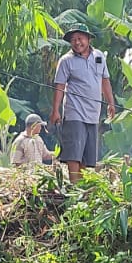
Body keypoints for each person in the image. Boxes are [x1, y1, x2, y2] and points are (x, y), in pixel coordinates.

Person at [50, 22, 116, 181]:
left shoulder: (99, 56)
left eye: (80, 38)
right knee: (74, 151)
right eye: (73, 40)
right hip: (74, 112)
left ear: (88, 39)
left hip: (93, 113)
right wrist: (55, 110)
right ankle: (74, 185)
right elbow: (60, 85)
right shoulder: (66, 61)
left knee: (87, 155)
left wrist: (111, 103)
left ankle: (82, 186)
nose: (77, 42)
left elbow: (105, 81)